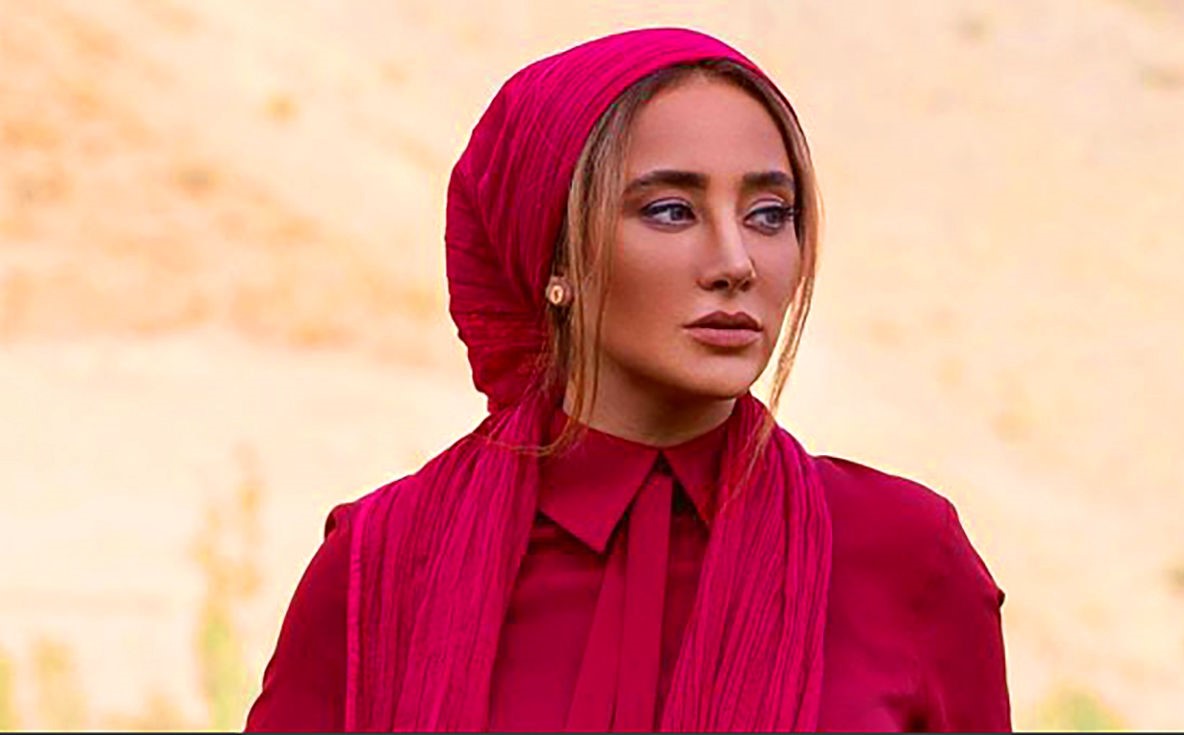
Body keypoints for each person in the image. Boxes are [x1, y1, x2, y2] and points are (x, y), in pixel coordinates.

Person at [244, 27, 1010, 733]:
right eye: (671, 210)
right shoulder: (379, 566)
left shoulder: (906, 555)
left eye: (769, 213)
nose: (736, 262)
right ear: (552, 256)